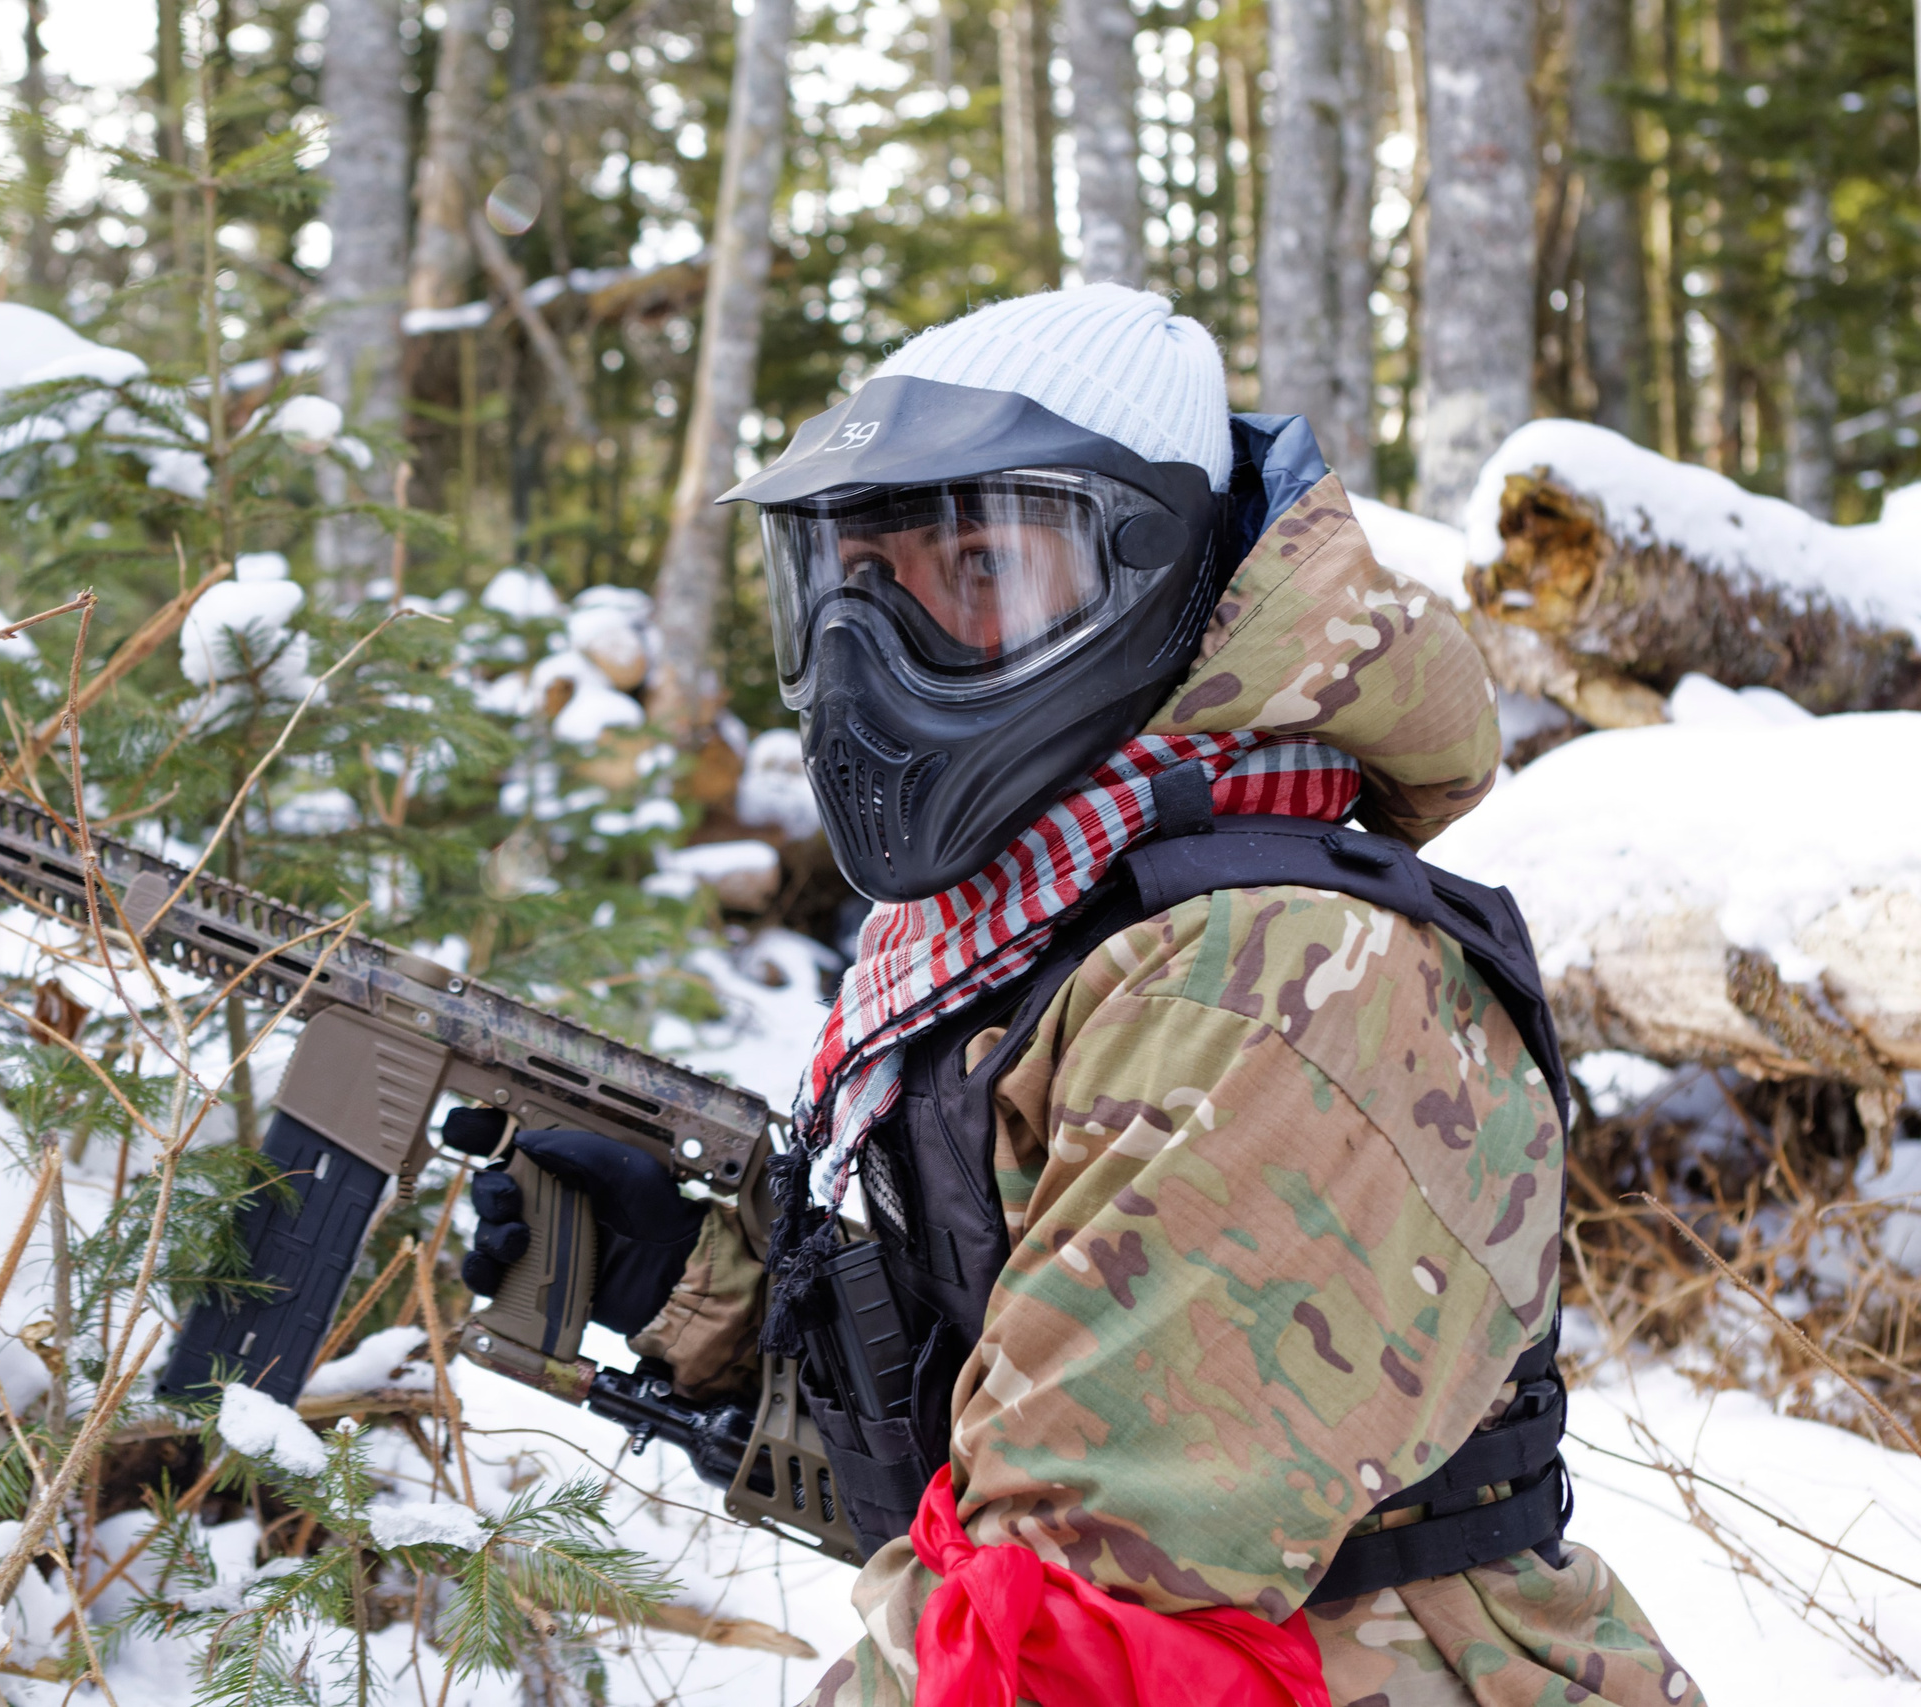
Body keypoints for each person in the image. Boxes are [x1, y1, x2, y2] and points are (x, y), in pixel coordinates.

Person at [464, 286, 1698, 1706]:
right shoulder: (1052, 933)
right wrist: (701, 1293)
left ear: (1157, 579)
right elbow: (996, 1444)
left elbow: (1057, 1642)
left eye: (980, 570)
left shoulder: (1279, 987)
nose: (872, 664)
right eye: (847, 584)